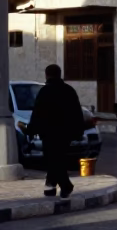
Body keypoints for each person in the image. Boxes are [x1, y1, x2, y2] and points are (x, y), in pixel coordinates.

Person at [26, 64, 85, 198]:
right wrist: (78, 131)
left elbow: (37, 113)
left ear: (47, 75)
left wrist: (31, 129)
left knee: (53, 159)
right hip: (66, 134)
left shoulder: (45, 92)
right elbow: (77, 112)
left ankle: (66, 185)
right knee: (59, 158)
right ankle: (50, 187)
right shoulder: (69, 90)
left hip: (50, 134)